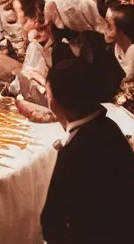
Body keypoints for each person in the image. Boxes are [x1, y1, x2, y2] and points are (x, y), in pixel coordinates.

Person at [40, 58, 134, 243]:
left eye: (49, 94)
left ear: (57, 101)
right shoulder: (110, 127)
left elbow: (51, 224)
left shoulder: (74, 152)